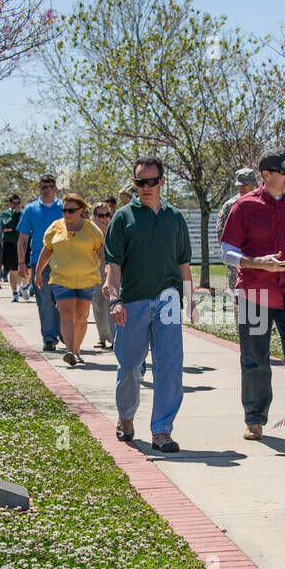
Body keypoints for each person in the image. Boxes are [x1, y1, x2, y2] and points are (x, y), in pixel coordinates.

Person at [221, 149, 285, 448]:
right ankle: (254, 419)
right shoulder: (243, 206)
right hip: (254, 293)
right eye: (283, 172)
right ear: (265, 175)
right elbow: (226, 252)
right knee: (255, 359)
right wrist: (257, 262)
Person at [102, 156, 196, 454]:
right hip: (133, 301)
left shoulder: (175, 217)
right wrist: (114, 298)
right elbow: (113, 262)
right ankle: (126, 417)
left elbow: (184, 262)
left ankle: (162, 431)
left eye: (151, 181)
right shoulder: (124, 217)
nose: (145, 187)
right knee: (130, 366)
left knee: (169, 366)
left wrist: (191, 299)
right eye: (139, 182)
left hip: (169, 298)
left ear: (162, 182)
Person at [34, 194, 105, 367]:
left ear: (81, 210)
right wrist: (38, 272)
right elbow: (47, 250)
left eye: (71, 210)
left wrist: (109, 271)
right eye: (64, 210)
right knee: (66, 315)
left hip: (86, 279)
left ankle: (77, 350)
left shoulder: (91, 229)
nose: (67, 213)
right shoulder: (55, 227)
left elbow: (100, 251)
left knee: (81, 317)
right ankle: (70, 352)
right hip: (61, 278)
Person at [17, 175, 65, 351]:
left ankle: (63, 331)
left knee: (62, 299)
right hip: (39, 263)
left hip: (63, 262)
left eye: (50, 186)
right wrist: (21, 262)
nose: (47, 189)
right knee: (44, 301)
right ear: (39, 188)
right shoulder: (30, 210)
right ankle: (49, 337)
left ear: (55, 188)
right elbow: (23, 238)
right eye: (43, 186)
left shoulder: (64, 207)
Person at [218, 167, 257, 292]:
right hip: (237, 263)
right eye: (239, 185)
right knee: (239, 304)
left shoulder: (262, 203)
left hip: (260, 264)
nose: (241, 188)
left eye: (245, 185)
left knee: (262, 306)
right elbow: (221, 233)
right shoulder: (231, 205)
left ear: (254, 184)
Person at [90, 201, 116, 349]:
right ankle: (102, 336)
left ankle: (114, 338)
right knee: (98, 303)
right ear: (94, 217)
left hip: (111, 268)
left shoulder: (114, 227)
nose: (104, 218)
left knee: (110, 302)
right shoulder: (90, 229)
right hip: (94, 269)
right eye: (100, 215)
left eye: (107, 215)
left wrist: (106, 230)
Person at [0, 194, 23, 302]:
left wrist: (13, 227)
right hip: (9, 244)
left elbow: (22, 227)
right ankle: (15, 292)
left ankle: (23, 286)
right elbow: (6, 225)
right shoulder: (5, 213)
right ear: (10, 203)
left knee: (25, 268)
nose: (17, 205)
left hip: (21, 243)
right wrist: (14, 215)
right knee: (12, 269)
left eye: (18, 203)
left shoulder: (23, 213)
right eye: (14, 203)